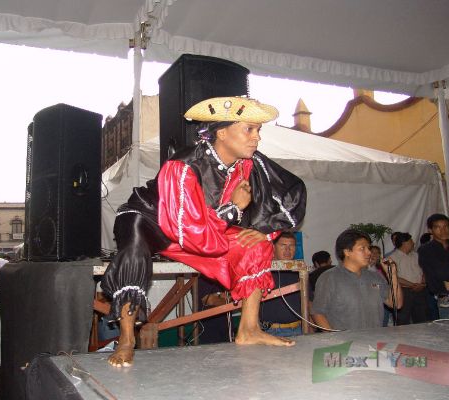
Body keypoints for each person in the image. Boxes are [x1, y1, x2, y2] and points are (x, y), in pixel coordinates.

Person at [101, 96, 307, 367]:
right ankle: (127, 339)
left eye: (258, 131)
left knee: (256, 245)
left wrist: (265, 231)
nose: (256, 138)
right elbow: (191, 230)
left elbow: (291, 189)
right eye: (249, 129)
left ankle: (248, 329)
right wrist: (233, 208)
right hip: (150, 219)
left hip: (204, 227)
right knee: (133, 251)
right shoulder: (184, 166)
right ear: (222, 132)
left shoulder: (249, 162)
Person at [311, 229, 402, 331]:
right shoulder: (329, 277)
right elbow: (317, 313)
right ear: (347, 252)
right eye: (362, 248)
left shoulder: (375, 277)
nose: (368, 253)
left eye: (368, 248)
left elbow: (396, 304)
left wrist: (392, 275)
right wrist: (333, 338)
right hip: (345, 343)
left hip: (375, 341)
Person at [418, 214, 449, 318]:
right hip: (448, 300)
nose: (443, 230)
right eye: (438, 227)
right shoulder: (426, 250)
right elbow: (442, 273)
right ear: (430, 230)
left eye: (446, 226)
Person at [259, 231, 302, 337]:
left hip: (299, 329)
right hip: (271, 332)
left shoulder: (299, 270)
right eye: (283, 245)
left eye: (291, 246)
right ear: (273, 247)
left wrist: (309, 326)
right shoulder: (262, 272)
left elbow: (308, 301)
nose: (288, 250)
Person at [390, 232, 428, 325]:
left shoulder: (416, 255)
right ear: (404, 243)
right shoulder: (392, 258)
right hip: (404, 291)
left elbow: (424, 270)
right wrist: (412, 285)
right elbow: (394, 277)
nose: (413, 243)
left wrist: (423, 283)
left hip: (420, 291)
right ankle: (403, 339)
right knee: (403, 319)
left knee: (422, 319)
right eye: (411, 241)